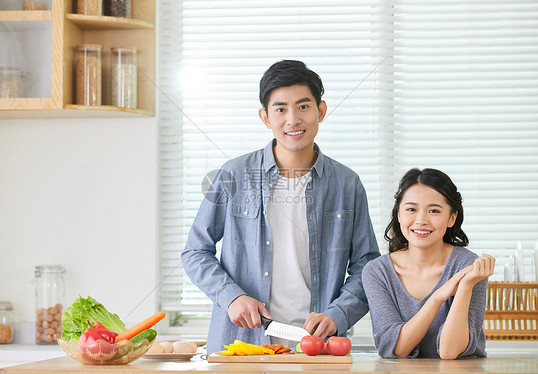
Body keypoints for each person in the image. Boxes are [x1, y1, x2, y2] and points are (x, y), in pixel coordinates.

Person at [181, 60, 380, 354]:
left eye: (303, 107)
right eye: (280, 109)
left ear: (320, 111)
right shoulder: (233, 175)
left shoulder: (347, 184)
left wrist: (339, 314)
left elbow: (368, 265)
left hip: (316, 348)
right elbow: (195, 252)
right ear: (265, 117)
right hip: (242, 346)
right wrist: (231, 297)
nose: (292, 120)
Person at [362, 168, 495, 359]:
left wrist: (465, 286)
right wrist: (437, 298)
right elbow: (397, 348)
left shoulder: (469, 267)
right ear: (398, 214)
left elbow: (450, 351)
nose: (421, 220)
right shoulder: (377, 272)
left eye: (433, 210)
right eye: (411, 209)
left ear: (452, 218)